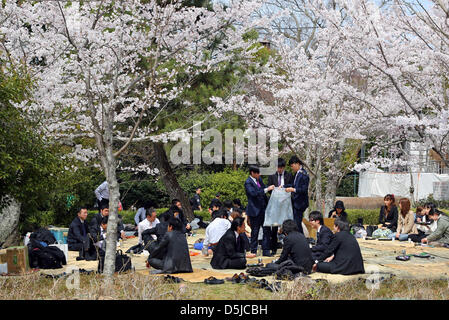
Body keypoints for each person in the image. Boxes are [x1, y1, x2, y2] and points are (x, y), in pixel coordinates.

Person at [244, 165, 275, 256]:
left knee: (266, 230)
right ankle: (253, 250)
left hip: (263, 209)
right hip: (255, 210)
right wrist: (266, 189)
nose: (259, 174)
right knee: (255, 231)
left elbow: (265, 190)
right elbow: (253, 193)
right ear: (252, 173)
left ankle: (266, 250)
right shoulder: (248, 182)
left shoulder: (259, 180)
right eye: (257, 173)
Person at [267, 157, 294, 255]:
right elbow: (269, 189)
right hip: (275, 203)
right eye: (278, 168)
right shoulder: (272, 176)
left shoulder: (289, 175)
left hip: (286, 204)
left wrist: (284, 188)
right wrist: (275, 190)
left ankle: (288, 248)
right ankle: (273, 248)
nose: (280, 170)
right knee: (274, 227)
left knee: (287, 226)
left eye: (281, 168)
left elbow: (292, 185)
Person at [284, 156, 310, 234]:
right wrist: (284, 186)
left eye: (292, 166)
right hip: (296, 202)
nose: (292, 168)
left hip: (300, 202)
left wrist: (293, 190)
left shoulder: (303, 174)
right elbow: (293, 184)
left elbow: (303, 189)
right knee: (296, 223)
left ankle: (301, 239)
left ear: (297, 164)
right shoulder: (297, 174)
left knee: (297, 223)